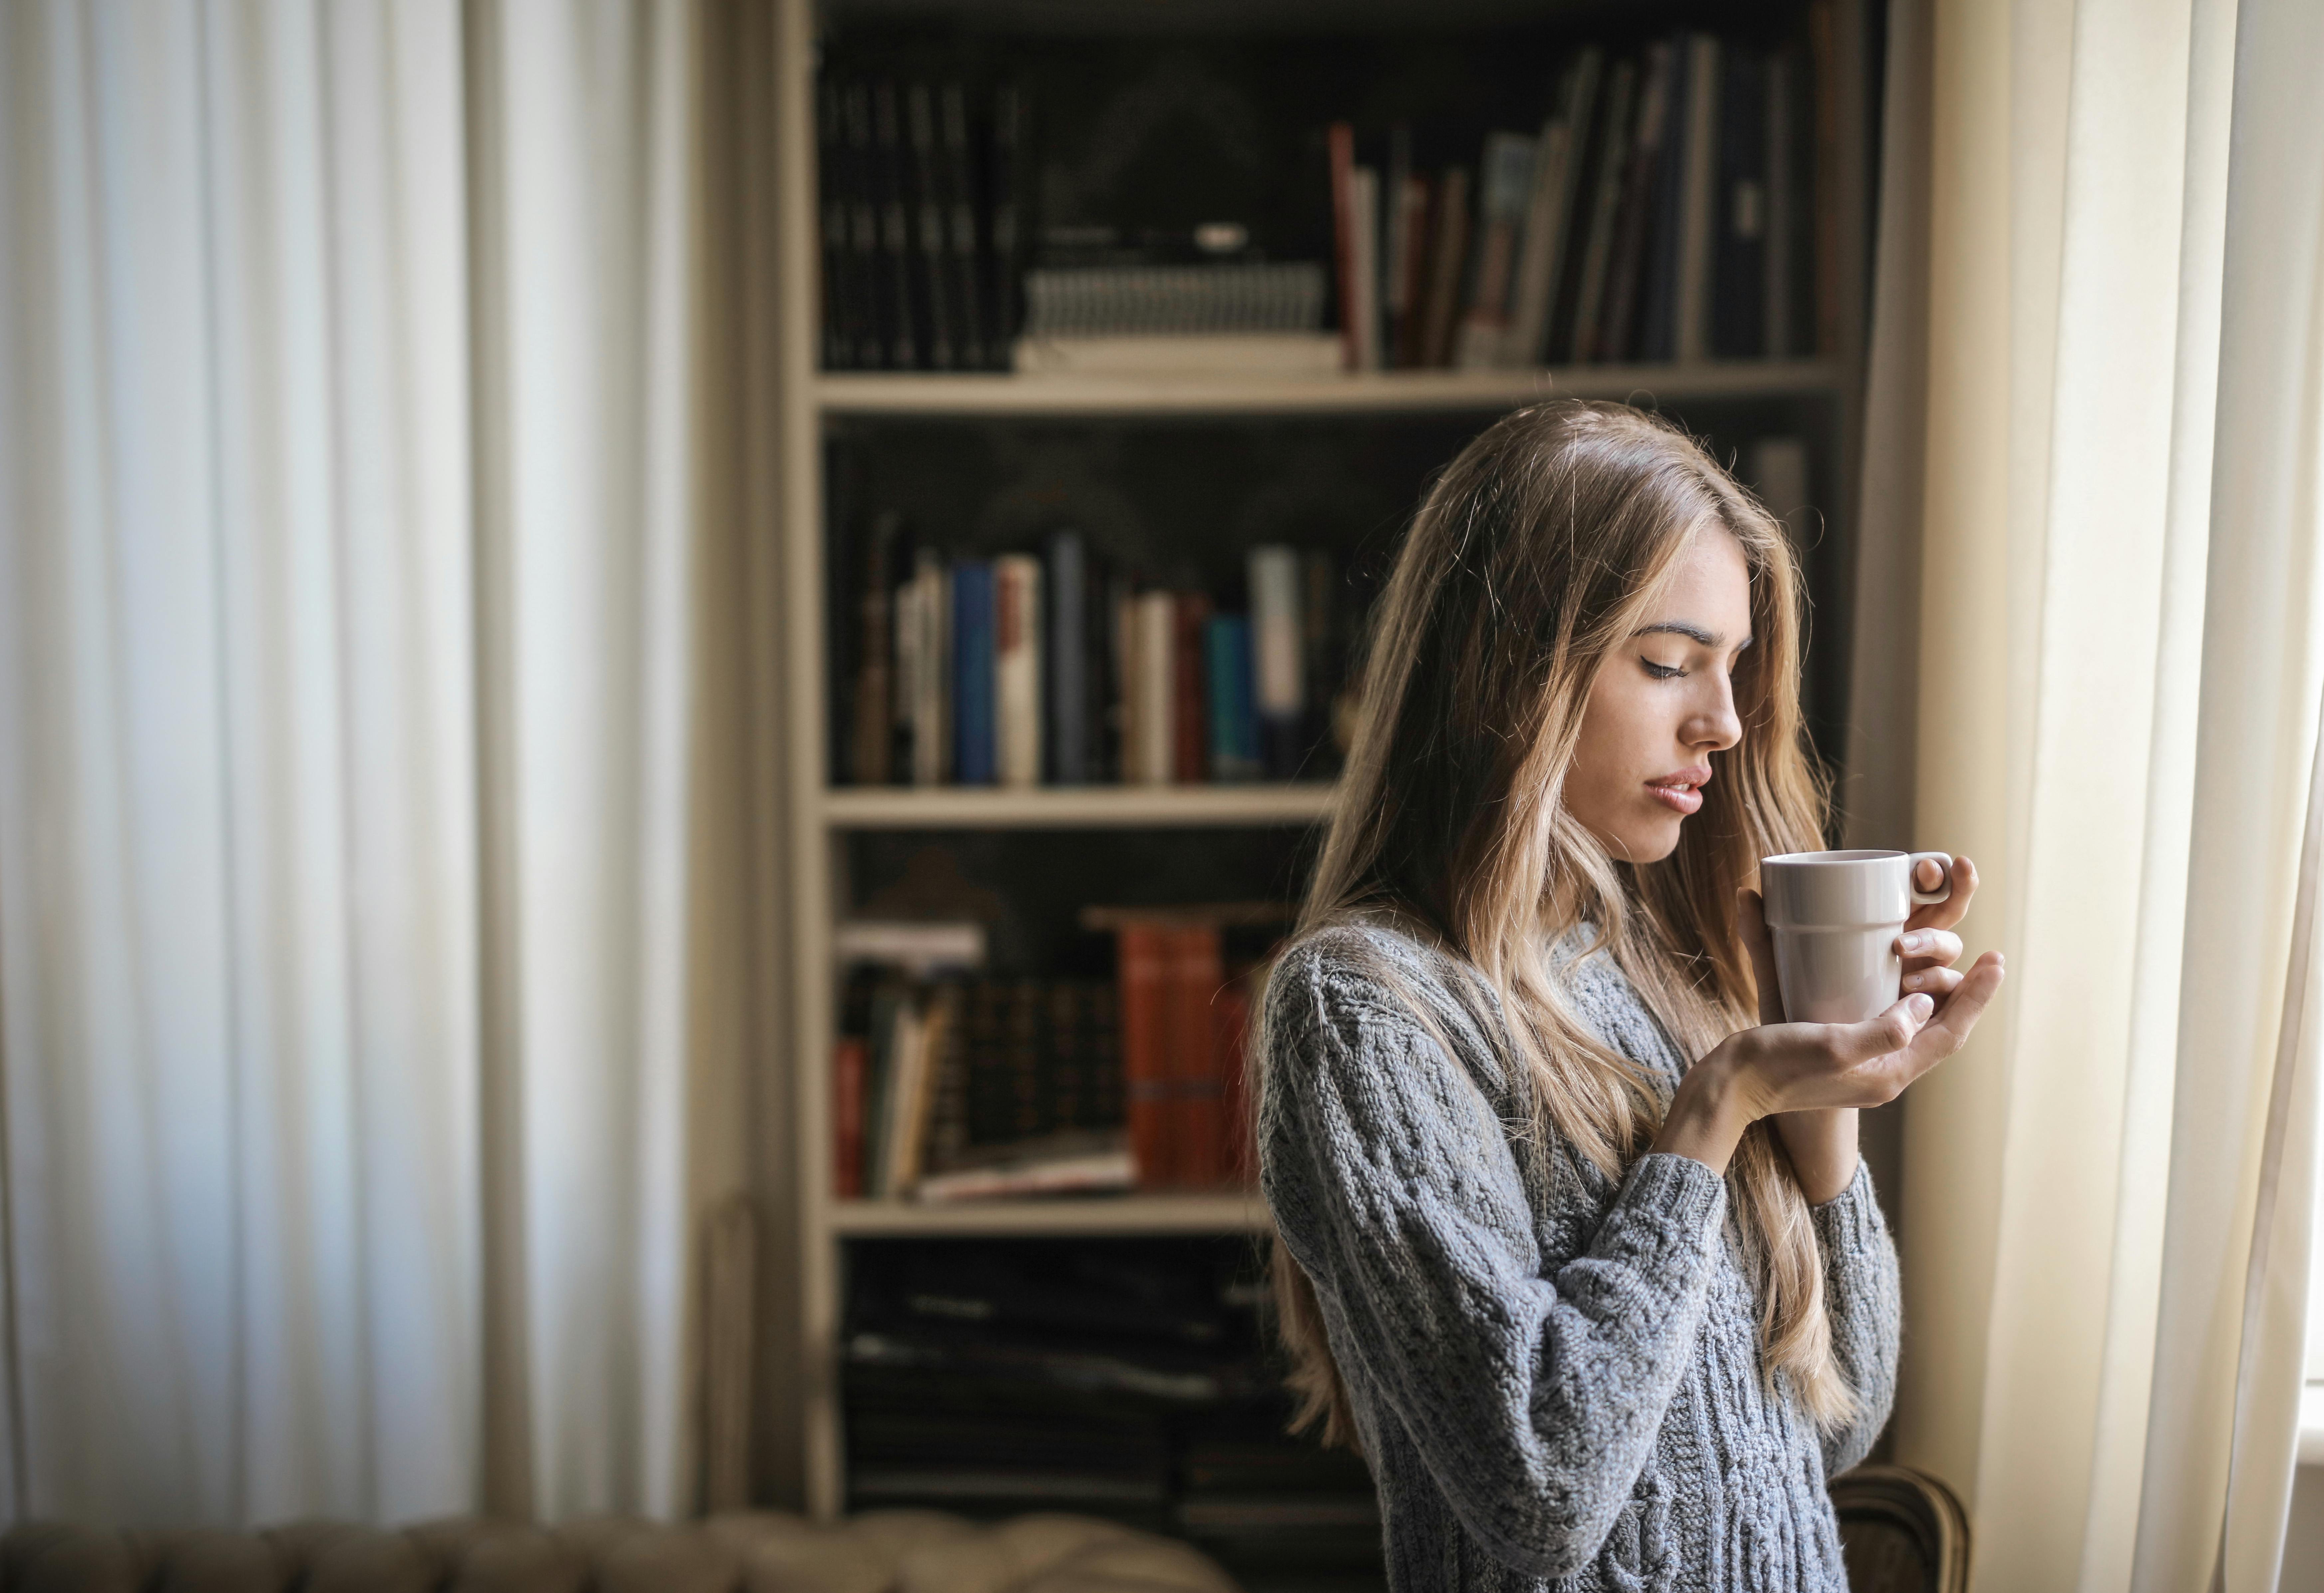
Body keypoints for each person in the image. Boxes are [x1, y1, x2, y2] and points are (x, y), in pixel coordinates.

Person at [1256, 401, 2005, 1591]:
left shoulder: (1668, 966)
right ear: (1510, 672)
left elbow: (1838, 1419)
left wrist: (1819, 1093)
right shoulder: (1366, 1011)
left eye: (1733, 667)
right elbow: (1541, 1489)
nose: (1723, 720)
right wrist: (1717, 1107)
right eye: (1666, 663)